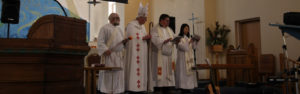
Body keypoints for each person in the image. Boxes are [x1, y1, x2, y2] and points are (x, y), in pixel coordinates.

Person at [97, 13, 128, 94]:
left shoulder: (120, 29)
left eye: (118, 18)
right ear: (111, 19)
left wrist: (124, 43)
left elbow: (120, 43)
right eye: (116, 18)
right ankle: (107, 91)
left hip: (118, 56)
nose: (118, 19)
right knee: (109, 74)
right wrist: (105, 50)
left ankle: (117, 91)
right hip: (109, 56)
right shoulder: (104, 28)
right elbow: (100, 42)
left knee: (117, 74)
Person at [124, 3, 151, 94]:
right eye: (145, 18)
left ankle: (141, 88)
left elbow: (143, 36)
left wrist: (146, 38)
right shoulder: (131, 25)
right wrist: (142, 39)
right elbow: (130, 39)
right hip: (134, 54)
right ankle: (132, 87)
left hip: (142, 54)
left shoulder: (143, 27)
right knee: (133, 69)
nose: (146, 20)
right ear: (140, 17)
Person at [150, 14, 177, 94]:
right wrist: (163, 41)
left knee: (168, 71)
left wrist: (176, 40)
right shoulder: (155, 29)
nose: (168, 22)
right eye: (167, 20)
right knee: (160, 72)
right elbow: (154, 39)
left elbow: (173, 36)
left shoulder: (169, 29)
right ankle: (158, 88)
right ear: (161, 20)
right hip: (159, 55)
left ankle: (168, 87)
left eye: (169, 21)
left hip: (168, 55)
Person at [175, 24, 199, 94]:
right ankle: (183, 87)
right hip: (182, 60)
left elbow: (194, 47)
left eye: (188, 29)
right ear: (182, 29)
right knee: (183, 73)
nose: (187, 30)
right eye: (185, 28)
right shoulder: (179, 38)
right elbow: (183, 48)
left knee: (190, 73)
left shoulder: (189, 38)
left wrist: (196, 41)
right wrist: (189, 42)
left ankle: (189, 87)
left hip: (189, 59)